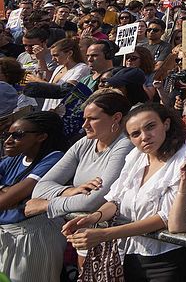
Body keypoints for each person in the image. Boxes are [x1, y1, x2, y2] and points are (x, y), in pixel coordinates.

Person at [62, 103, 186, 281]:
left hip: (167, 259)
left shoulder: (185, 159)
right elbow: (116, 200)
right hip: (130, 254)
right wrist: (93, 217)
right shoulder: (135, 157)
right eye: (136, 134)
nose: (145, 137)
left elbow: (165, 218)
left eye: (150, 127)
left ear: (166, 124)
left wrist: (104, 234)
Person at [25, 90, 132, 278]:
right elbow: (40, 187)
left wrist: (46, 205)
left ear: (116, 118)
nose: (85, 125)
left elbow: (94, 201)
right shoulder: (84, 143)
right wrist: (71, 191)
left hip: (115, 243)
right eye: (84, 118)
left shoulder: (125, 146)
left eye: (93, 119)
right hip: (84, 239)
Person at [0, 111, 67, 281]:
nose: (8, 140)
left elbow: (5, 201)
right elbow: (9, 198)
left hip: (34, 235)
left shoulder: (54, 158)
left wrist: (9, 193)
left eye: (17, 135)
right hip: (7, 235)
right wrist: (9, 190)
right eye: (7, 134)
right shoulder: (14, 159)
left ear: (41, 137)